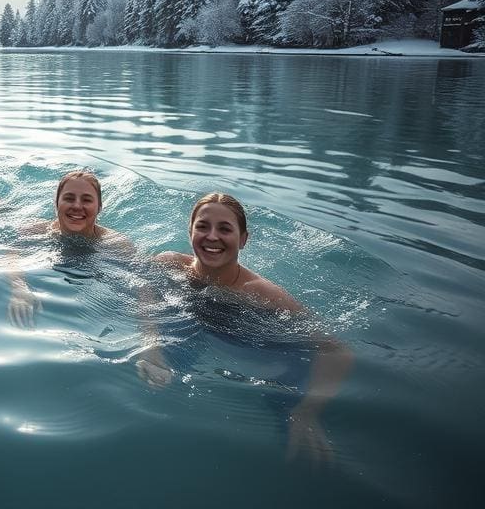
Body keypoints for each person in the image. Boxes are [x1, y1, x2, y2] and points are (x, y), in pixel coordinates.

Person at [135, 192, 353, 463]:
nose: (212, 236)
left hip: (274, 358)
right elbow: (146, 290)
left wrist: (307, 410)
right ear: (190, 231)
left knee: (293, 439)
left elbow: (336, 351)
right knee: (151, 384)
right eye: (202, 226)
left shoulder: (261, 294)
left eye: (225, 229)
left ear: (243, 239)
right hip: (199, 327)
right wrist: (151, 341)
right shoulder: (168, 264)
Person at [8, 171, 133, 327]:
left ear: (99, 207)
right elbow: (11, 257)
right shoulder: (34, 231)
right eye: (69, 198)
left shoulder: (117, 244)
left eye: (86, 200)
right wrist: (19, 289)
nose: (77, 206)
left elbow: (139, 289)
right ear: (57, 203)